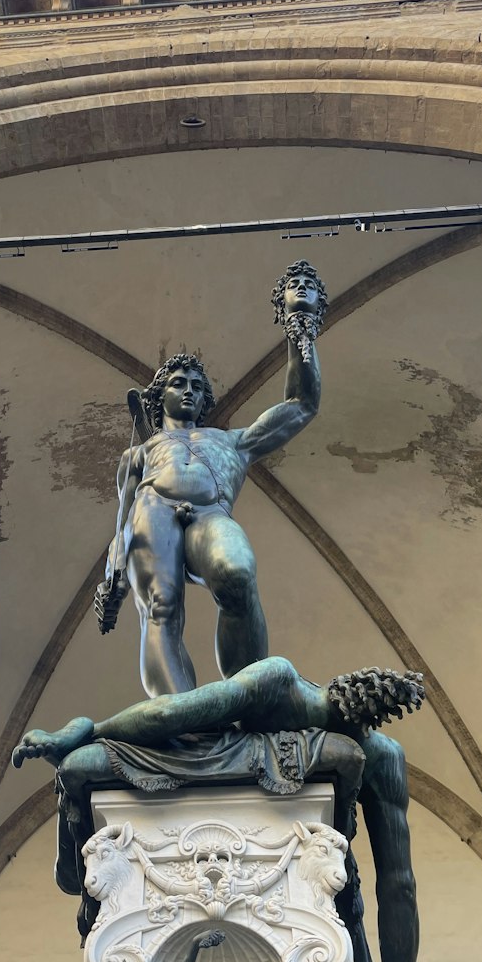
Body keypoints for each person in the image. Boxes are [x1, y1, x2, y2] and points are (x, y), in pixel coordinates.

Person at [13, 656, 432, 962]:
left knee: (81, 763)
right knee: (79, 764)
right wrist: (85, 733)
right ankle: (76, 851)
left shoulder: (374, 754)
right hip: (208, 749)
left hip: (252, 763)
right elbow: (166, 713)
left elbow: (400, 885)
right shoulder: (281, 682)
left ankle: (77, 842)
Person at [93, 262, 327, 698]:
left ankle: (246, 694)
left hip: (209, 513)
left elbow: (301, 404)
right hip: (152, 509)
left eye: (197, 386)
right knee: (161, 608)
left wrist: (301, 328)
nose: (189, 391)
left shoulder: (232, 442)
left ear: (205, 399)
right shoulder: (138, 454)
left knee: (236, 573)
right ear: (159, 396)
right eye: (178, 383)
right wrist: (112, 577)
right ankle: (183, 722)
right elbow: (121, 520)